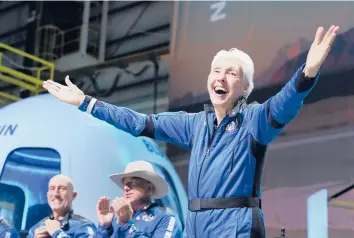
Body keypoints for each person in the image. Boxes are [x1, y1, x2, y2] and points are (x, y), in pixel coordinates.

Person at [43, 25, 339, 238]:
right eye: (216, 71)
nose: (221, 77)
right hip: (197, 225)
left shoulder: (254, 120)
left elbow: (284, 104)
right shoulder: (193, 124)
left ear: (245, 88)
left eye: (231, 73)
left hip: (236, 225)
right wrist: (86, 102)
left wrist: (307, 73)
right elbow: (138, 122)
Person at [94, 160, 182, 238]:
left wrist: (127, 225)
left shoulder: (166, 217)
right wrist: (104, 227)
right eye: (124, 183)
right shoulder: (114, 219)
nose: (125, 188)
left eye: (132, 182)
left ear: (149, 188)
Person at [28, 174, 96, 238]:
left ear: (73, 195)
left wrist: (57, 233)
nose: (55, 194)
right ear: (47, 195)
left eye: (62, 188)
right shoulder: (36, 228)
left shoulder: (84, 226)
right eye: (52, 189)